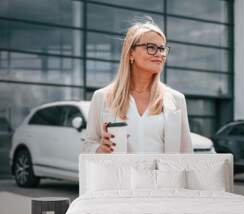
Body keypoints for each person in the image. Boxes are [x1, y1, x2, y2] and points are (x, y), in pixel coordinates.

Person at [82, 18, 193, 154]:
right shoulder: (102, 97)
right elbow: (89, 145)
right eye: (151, 47)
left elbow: (186, 154)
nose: (159, 54)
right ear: (131, 53)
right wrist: (100, 149)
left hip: (163, 175)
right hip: (119, 175)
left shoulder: (176, 99)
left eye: (162, 49)